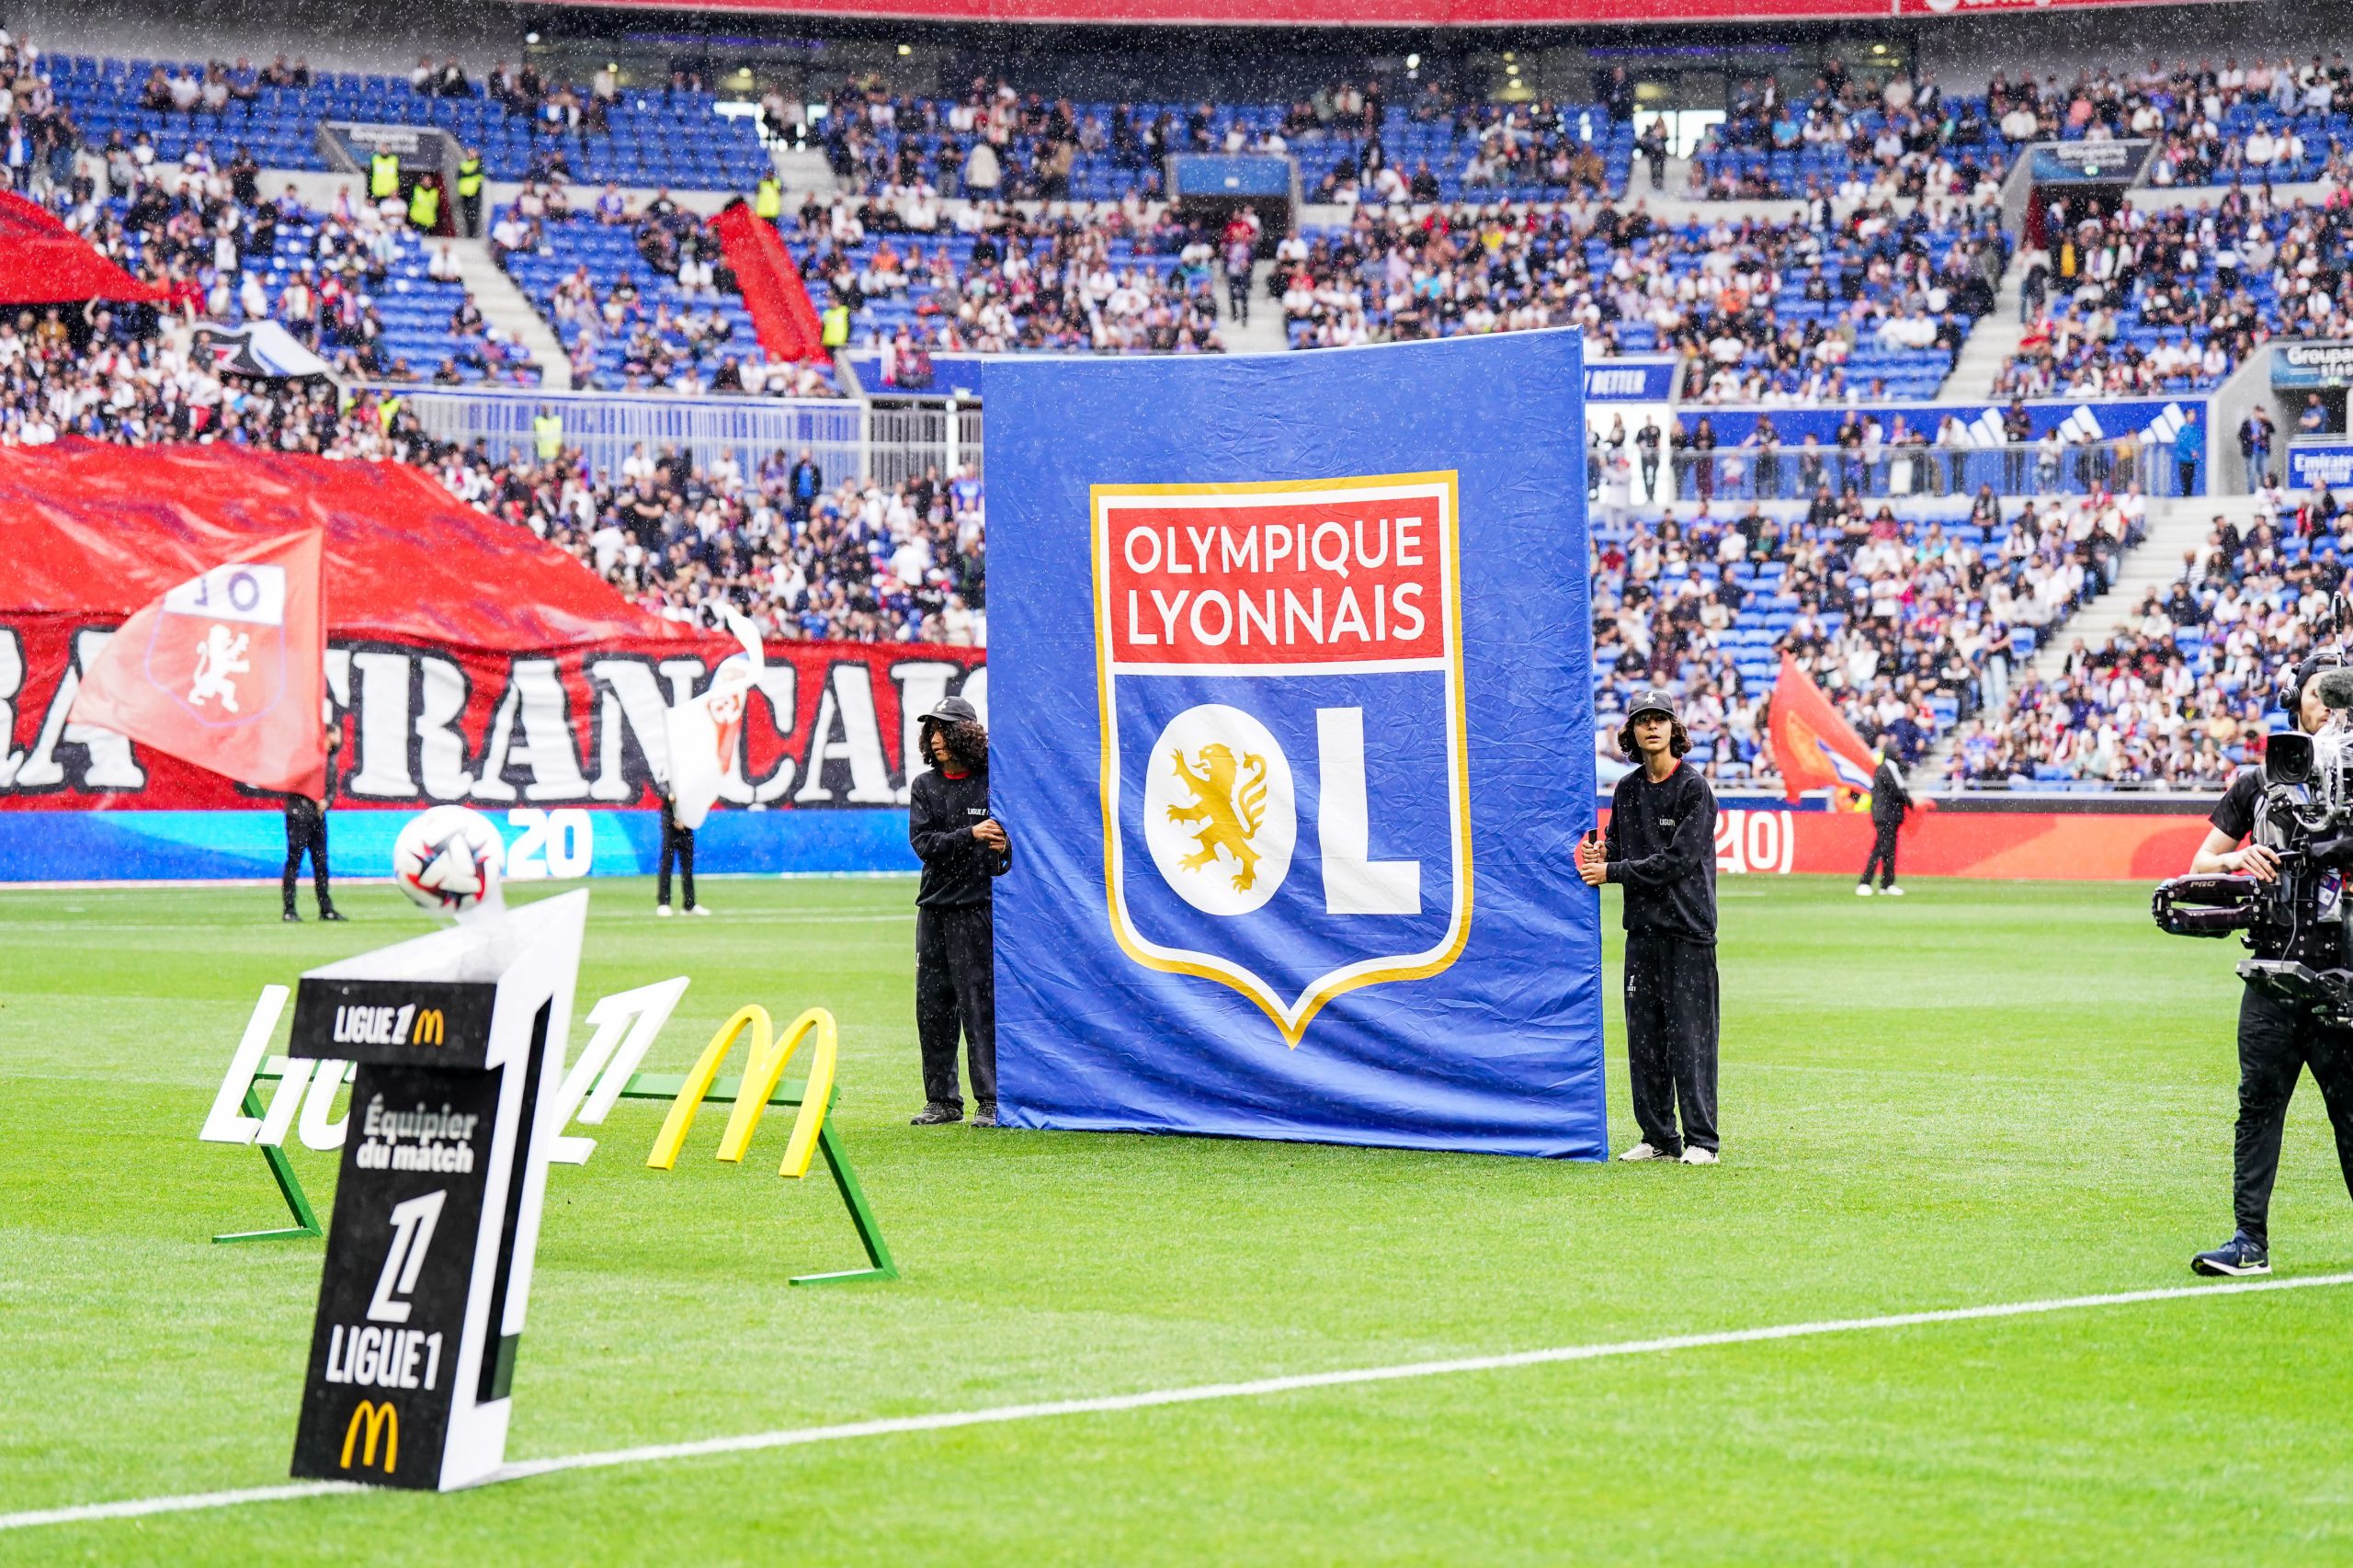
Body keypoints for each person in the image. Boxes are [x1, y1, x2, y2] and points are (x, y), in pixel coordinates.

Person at [2181, 654, 2353, 1275]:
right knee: (2258, 1106)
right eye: (2318, 694)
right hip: (2272, 973)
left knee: (2351, 1114)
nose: (2330, 706)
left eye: (2341, 696)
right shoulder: (2257, 782)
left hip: (2345, 976)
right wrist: (2242, 859)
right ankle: (2248, 1241)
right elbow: (2202, 863)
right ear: (2295, 702)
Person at [1579, 689, 1721, 1165]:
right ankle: (1659, 1138)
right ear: (1632, 732)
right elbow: (1617, 848)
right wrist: (1604, 855)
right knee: (1644, 1040)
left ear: (1674, 730)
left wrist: (1613, 871)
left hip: (1688, 931)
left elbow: (1679, 861)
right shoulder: (1627, 789)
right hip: (1642, 931)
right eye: (1644, 720)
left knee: (1691, 1040)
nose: (1652, 727)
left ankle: (1703, 1142)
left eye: (1661, 719)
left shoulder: (1694, 788)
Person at [907, 695, 1010, 1127]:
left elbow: (1009, 854)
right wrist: (970, 834)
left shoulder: (994, 782)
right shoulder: (924, 786)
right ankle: (943, 1101)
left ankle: (990, 1100)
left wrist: (1004, 847)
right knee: (932, 1007)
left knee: (979, 1007)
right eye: (931, 730)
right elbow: (925, 846)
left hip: (977, 912)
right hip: (934, 912)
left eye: (943, 729)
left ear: (965, 734)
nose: (936, 738)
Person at [282, 723, 344, 923]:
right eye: (337, 734)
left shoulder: (330, 760)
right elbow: (293, 781)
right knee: (294, 862)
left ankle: (325, 909)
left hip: (317, 816)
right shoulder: (306, 757)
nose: (340, 739)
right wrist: (310, 796)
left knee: (321, 863)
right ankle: (289, 909)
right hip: (299, 814)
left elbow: (332, 788)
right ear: (329, 735)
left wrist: (326, 801)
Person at [1859, 745, 1913, 896]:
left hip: (1888, 816)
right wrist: (1910, 802)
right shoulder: (1887, 769)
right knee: (1881, 849)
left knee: (1887, 850)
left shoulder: (1886, 768)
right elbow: (1897, 791)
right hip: (1886, 816)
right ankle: (1866, 882)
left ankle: (1886, 883)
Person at [655, 789, 705, 916]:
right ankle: (664, 903)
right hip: (669, 823)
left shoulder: (689, 776)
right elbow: (662, 791)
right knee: (667, 863)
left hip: (686, 825)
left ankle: (689, 904)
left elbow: (694, 797)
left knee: (687, 866)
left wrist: (684, 819)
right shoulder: (668, 774)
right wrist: (675, 818)